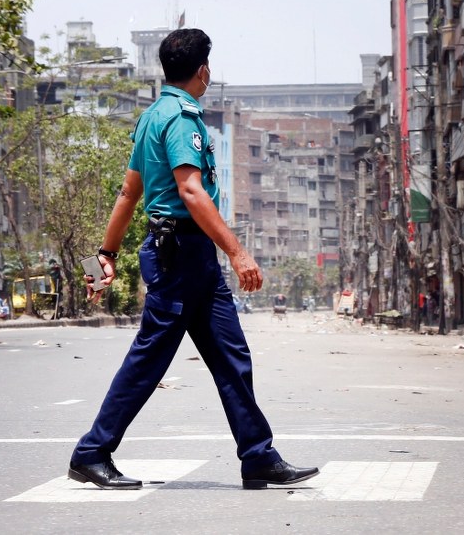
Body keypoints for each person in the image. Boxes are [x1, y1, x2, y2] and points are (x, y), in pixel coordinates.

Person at [68, 29, 318, 491]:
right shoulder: (182, 118)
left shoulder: (150, 117)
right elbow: (189, 190)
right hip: (178, 256)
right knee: (149, 360)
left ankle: (258, 457)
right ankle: (91, 453)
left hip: (190, 256)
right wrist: (238, 252)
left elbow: (129, 192)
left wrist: (102, 256)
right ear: (203, 70)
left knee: (231, 355)